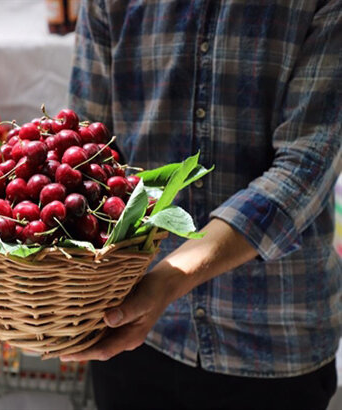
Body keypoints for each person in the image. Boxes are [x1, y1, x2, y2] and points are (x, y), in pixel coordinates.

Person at [62, 1, 342, 409]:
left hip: (273, 339)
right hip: (133, 331)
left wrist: (171, 278)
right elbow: (87, 149)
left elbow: (305, 169)